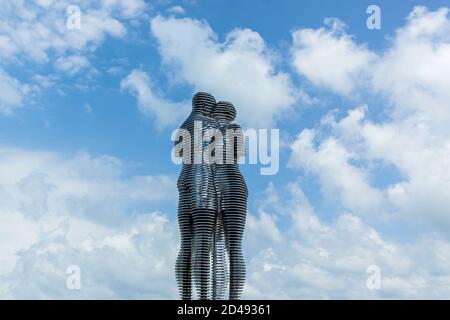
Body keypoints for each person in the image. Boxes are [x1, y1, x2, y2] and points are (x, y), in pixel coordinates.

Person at [174, 92, 218, 300]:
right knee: (203, 239)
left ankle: (185, 298)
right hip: (202, 180)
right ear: (206, 104)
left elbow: (179, 153)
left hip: (183, 180)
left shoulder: (183, 126)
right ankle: (203, 299)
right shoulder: (211, 123)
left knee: (185, 243)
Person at [211, 101, 247, 300]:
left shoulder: (232, 129)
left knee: (232, 246)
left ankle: (233, 301)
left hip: (232, 186)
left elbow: (234, 156)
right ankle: (218, 297)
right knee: (219, 246)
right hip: (219, 187)